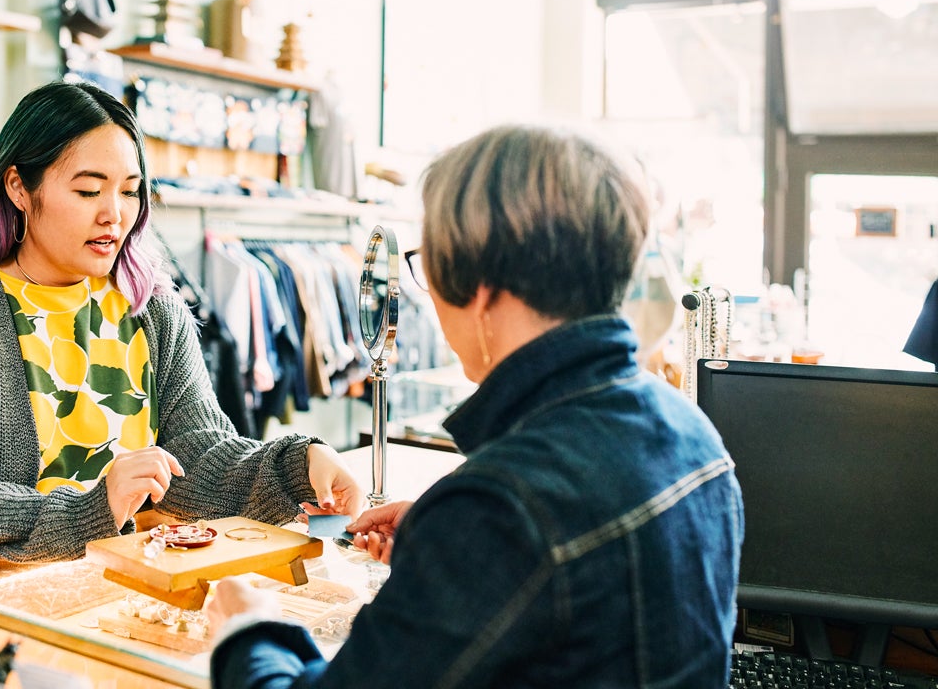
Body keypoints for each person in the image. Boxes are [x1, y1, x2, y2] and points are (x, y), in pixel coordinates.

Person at [207, 124, 744, 687]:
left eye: (429, 267)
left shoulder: (499, 510)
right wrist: (443, 542)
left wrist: (249, 633)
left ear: (481, 287)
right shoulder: (690, 430)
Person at [0, 81, 364, 562]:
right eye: (88, 192)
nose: (115, 215)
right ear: (18, 186)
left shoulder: (151, 308)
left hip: (120, 602)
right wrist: (90, 511)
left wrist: (298, 466)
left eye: (130, 192)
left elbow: (199, 457)